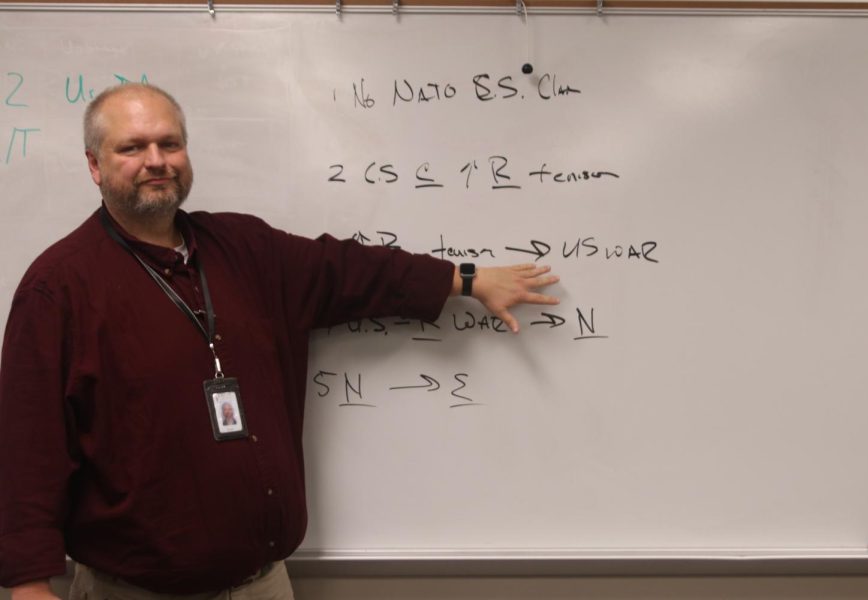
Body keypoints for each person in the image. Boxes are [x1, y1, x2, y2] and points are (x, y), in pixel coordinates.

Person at [0, 83, 559, 599]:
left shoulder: (245, 249)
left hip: (263, 586)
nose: (156, 161)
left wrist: (466, 279)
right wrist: (28, 584)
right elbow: (29, 446)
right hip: (134, 592)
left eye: (170, 143)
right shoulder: (59, 287)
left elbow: (352, 271)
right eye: (133, 147)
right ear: (94, 166)